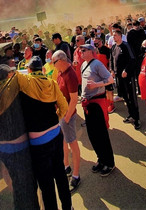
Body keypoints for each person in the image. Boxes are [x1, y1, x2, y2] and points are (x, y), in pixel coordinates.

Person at [0, 64, 39, 209]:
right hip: (22, 146)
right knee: (29, 184)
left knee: (16, 184)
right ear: (9, 76)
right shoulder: (15, 91)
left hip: (5, 148)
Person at [80, 43, 116, 176]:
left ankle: (109, 163)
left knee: (101, 134)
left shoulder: (97, 64)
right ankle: (101, 159)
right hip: (87, 103)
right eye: (80, 50)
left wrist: (97, 84)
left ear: (91, 51)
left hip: (97, 103)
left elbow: (110, 79)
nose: (81, 52)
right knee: (92, 134)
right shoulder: (83, 65)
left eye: (83, 50)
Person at [52, 50, 82, 192]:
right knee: (63, 141)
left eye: (54, 62)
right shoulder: (60, 73)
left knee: (72, 143)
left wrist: (67, 117)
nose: (53, 65)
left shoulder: (70, 75)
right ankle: (66, 166)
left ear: (61, 60)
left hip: (67, 116)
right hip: (61, 115)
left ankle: (76, 175)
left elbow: (74, 99)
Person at [111, 29, 141, 129]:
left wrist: (126, 70)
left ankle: (137, 119)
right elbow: (112, 59)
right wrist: (112, 70)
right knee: (125, 96)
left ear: (120, 36)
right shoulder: (114, 47)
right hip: (118, 76)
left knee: (131, 96)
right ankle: (131, 115)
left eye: (115, 35)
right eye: (113, 36)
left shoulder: (126, 45)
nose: (113, 37)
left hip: (127, 76)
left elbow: (133, 59)